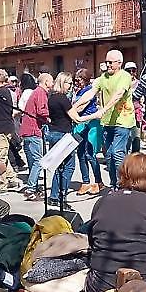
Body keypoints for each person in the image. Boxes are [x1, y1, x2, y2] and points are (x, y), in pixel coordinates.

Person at [85, 153, 146, 292]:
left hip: (99, 284)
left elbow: (92, 241)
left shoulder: (102, 202)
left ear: (123, 175)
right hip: (144, 286)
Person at [74, 50, 137, 189]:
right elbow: (90, 93)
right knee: (108, 155)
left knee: (117, 153)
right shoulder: (102, 78)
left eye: (111, 62)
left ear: (119, 63)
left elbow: (119, 94)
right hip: (107, 122)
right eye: (107, 62)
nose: (108, 65)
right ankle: (114, 184)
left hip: (123, 121)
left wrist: (104, 109)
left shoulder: (125, 76)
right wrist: (74, 107)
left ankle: (123, 185)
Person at [47, 72, 93, 205]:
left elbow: (69, 111)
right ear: (62, 82)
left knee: (58, 166)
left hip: (53, 132)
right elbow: (76, 118)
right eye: (69, 83)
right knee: (69, 166)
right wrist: (95, 115)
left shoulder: (52, 97)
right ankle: (61, 195)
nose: (71, 86)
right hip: (63, 135)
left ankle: (54, 196)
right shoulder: (62, 98)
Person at [19, 72, 52, 200]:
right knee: (38, 161)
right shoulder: (41, 93)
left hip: (27, 131)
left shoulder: (36, 92)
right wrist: (51, 115)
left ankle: (34, 187)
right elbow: (42, 111)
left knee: (33, 161)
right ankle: (31, 188)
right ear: (46, 82)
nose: (53, 83)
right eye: (51, 81)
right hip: (33, 131)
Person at [71, 69, 103, 195]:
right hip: (79, 124)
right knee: (80, 154)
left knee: (90, 153)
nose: (76, 82)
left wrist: (70, 112)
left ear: (85, 79)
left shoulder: (90, 90)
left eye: (79, 80)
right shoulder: (76, 91)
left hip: (90, 123)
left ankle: (98, 182)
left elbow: (82, 106)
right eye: (75, 80)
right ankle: (85, 182)